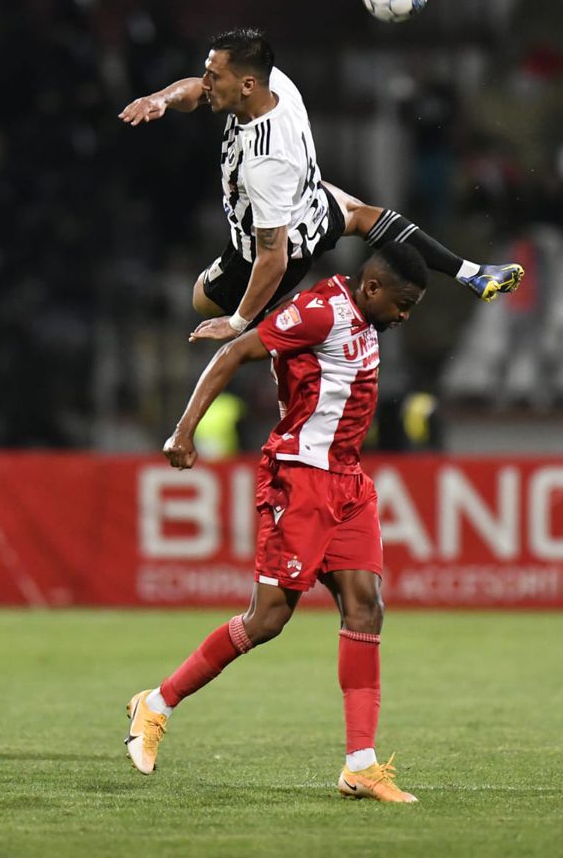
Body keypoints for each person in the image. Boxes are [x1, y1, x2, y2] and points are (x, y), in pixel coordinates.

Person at [126, 243, 429, 804]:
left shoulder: (366, 316)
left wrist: (465, 270)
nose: (405, 315)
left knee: (366, 605)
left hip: (349, 483)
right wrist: (183, 431)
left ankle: (360, 765)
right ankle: (158, 702)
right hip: (301, 479)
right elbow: (234, 353)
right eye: (402, 303)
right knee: (267, 619)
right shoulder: (319, 312)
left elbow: (376, 222)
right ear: (372, 288)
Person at [118, 28, 523, 341]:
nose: (205, 82)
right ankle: (470, 272)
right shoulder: (273, 83)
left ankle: (286, 316)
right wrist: (162, 99)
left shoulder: (265, 161)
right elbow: (194, 89)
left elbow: (273, 258)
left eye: (214, 76)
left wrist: (236, 323)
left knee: (202, 300)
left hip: (273, 247)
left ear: (246, 85)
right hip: (313, 206)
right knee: (360, 215)